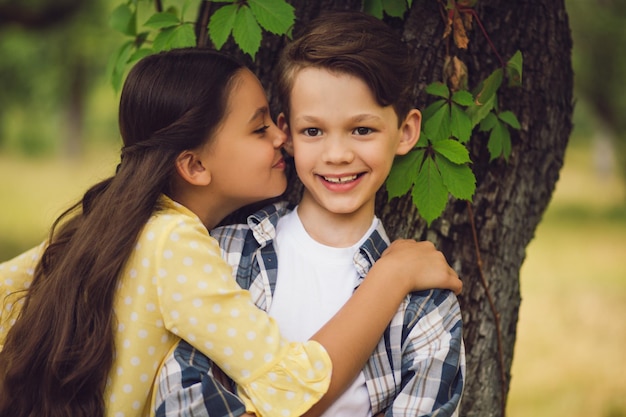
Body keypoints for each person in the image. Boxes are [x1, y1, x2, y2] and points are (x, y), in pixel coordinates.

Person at [0, 48, 461, 417]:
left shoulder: (111, 226)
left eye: (360, 129)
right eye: (261, 128)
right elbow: (292, 386)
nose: (281, 139)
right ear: (195, 165)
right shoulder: (186, 248)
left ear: (405, 131)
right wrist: (392, 276)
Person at [155, 11, 465, 417]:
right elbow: (183, 405)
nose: (337, 155)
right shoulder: (222, 256)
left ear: (406, 132)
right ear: (286, 133)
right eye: (313, 131)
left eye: (362, 130)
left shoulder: (425, 305)